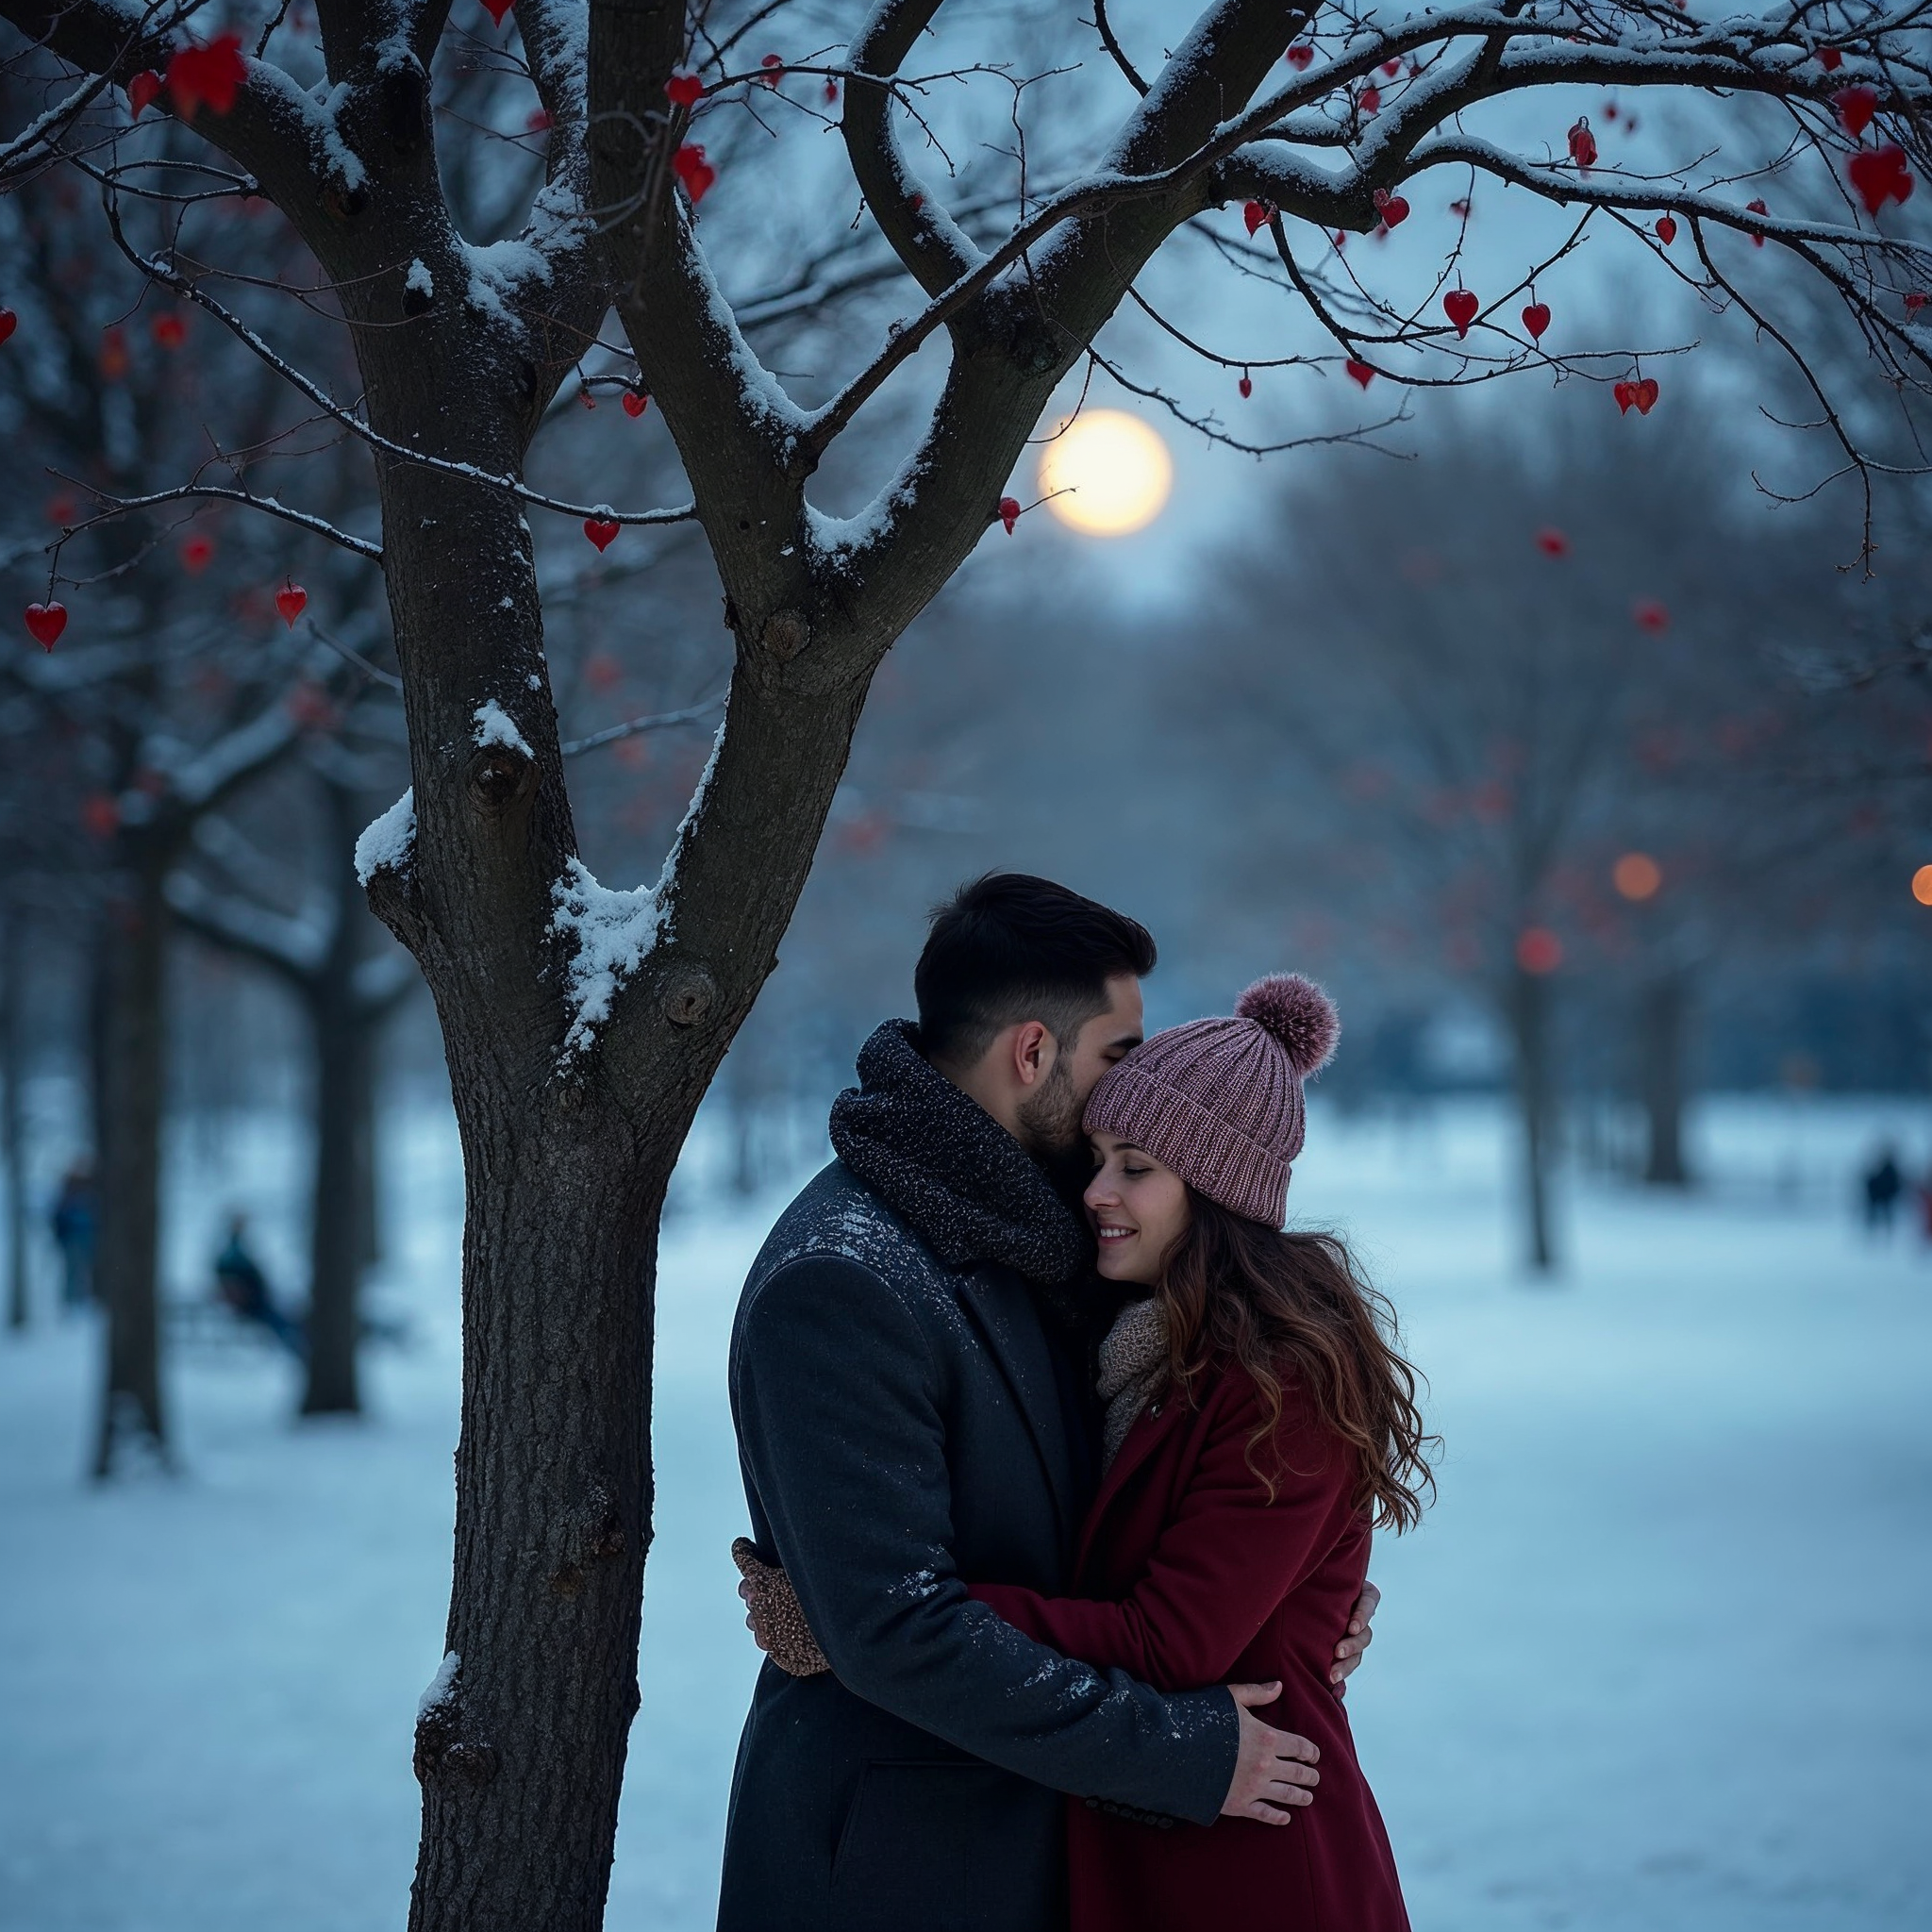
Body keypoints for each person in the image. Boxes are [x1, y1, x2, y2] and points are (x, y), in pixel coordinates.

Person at [719, 875, 1379, 1932]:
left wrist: (1296, 1600)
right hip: (913, 1863)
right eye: (1120, 1051)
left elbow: (1191, 1495)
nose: (1137, 1076)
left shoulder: (1060, 1241)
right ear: (1033, 1052)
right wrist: (852, 1627)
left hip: (1080, 1846)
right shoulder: (844, 1276)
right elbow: (898, 1627)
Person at [214, 1214, 304, 1357]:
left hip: (256, 1299)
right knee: (281, 1322)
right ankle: (299, 1348)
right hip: (251, 1302)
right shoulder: (232, 1255)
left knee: (288, 1317)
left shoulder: (234, 1252)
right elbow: (232, 1277)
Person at [50, 1164, 97, 1309]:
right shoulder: (69, 1198)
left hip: (85, 1239)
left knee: (83, 1270)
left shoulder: (88, 1195)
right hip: (72, 1240)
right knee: (73, 1270)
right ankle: (72, 1300)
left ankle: (82, 1299)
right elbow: (58, 1219)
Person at [1861, 1145, 1903, 1233]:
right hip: (1880, 1195)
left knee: (1885, 1214)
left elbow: (1894, 1183)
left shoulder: (1888, 1169)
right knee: (1879, 1214)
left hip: (1885, 1195)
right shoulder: (1883, 1169)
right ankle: (1874, 1229)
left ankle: (1884, 1229)